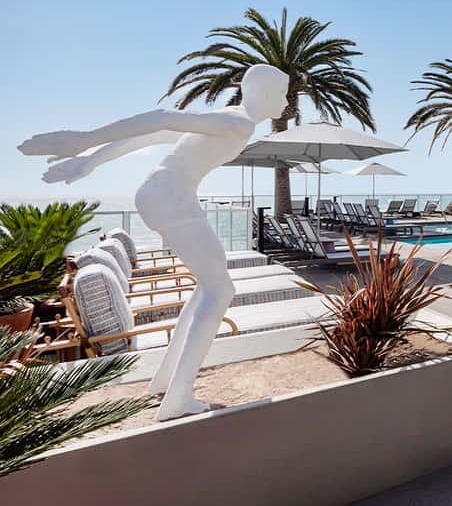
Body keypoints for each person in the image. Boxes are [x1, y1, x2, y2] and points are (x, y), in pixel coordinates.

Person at [19, 64, 288, 420]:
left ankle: (165, 380)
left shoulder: (230, 117)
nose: (287, 101)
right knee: (220, 291)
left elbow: (154, 136)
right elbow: (162, 119)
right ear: (266, 93)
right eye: (283, 93)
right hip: (171, 195)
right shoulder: (240, 124)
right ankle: (177, 397)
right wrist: (84, 141)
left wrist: (92, 161)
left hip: (163, 193)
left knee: (211, 283)